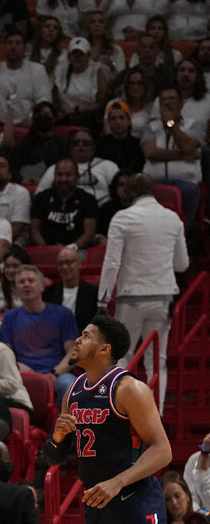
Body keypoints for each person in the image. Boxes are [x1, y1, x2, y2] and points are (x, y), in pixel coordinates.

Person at [42, 314, 197, 524]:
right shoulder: (72, 392)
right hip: (98, 508)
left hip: (135, 501)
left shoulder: (129, 389)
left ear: (104, 349)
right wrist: (56, 437)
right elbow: (54, 456)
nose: (78, 340)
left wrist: (117, 482)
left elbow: (163, 451)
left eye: (86, 336)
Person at [98, 173, 188, 411]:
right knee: (156, 362)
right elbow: (182, 264)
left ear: (130, 192)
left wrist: (102, 298)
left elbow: (112, 263)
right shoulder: (173, 219)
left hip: (131, 298)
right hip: (163, 298)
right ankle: (154, 417)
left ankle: (119, 412)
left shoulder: (123, 218)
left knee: (121, 357)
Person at [0, 266, 80, 400]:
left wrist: (54, 374)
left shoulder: (63, 314)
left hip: (57, 373)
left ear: (42, 286)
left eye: (31, 281)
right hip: (21, 374)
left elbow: (73, 351)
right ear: (16, 290)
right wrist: (16, 365)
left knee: (70, 386)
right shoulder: (9, 317)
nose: (26, 285)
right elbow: (4, 352)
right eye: (22, 282)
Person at [141, 86, 204, 227]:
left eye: (172, 99)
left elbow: (187, 146)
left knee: (192, 192)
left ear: (181, 103)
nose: (167, 103)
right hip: (154, 183)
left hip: (186, 183)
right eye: (163, 99)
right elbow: (151, 153)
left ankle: (183, 239)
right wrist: (184, 156)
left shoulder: (194, 125)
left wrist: (171, 124)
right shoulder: (151, 126)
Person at [30, 159, 99, 249]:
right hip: (46, 249)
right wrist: (45, 249)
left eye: (68, 175)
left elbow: (89, 233)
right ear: (54, 176)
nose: (63, 179)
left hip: (78, 249)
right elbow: (34, 230)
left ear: (77, 176)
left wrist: (71, 248)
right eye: (59, 175)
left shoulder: (88, 199)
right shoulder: (42, 198)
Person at [43, 246, 98, 332]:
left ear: (80, 264)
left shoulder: (93, 293)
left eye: (69, 262)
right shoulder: (48, 292)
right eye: (61, 263)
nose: (64, 267)